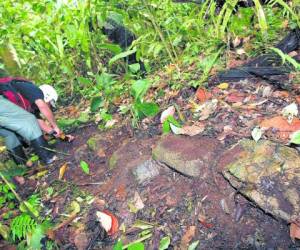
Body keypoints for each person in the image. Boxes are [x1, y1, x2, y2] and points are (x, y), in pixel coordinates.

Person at [0, 76, 62, 165]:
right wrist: (55, 126)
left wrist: (58, 134)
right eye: (50, 103)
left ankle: (22, 167)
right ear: (47, 96)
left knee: (9, 134)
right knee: (29, 120)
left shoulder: (27, 104)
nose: (49, 106)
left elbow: (39, 122)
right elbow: (42, 106)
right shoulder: (34, 90)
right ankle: (48, 157)